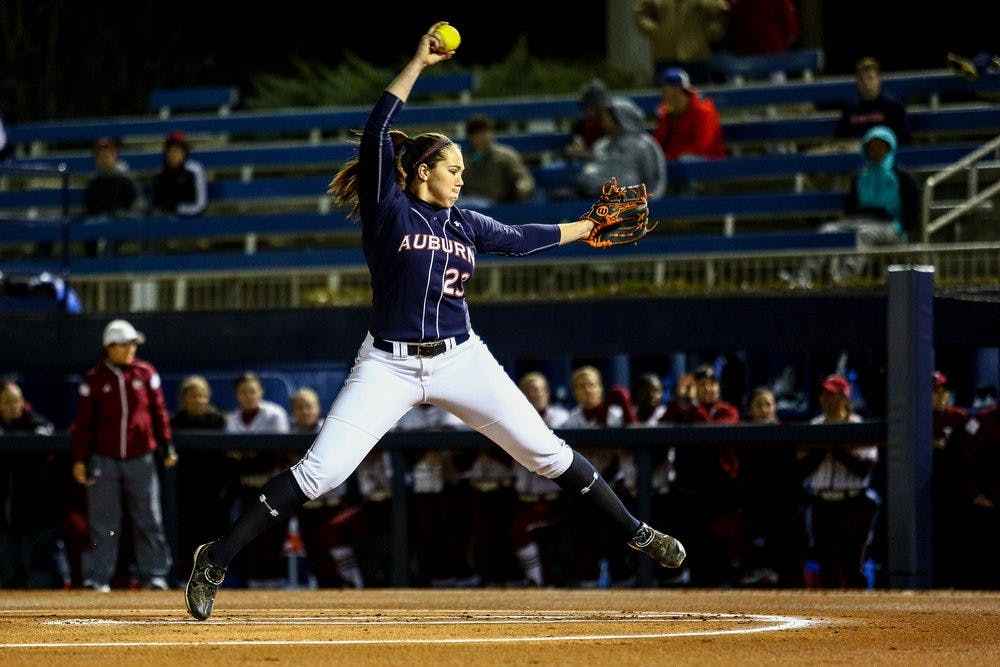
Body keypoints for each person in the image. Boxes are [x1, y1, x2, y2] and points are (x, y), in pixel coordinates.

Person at [185, 23, 684, 621]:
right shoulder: (389, 209)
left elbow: (524, 237)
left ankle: (634, 531)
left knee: (544, 452)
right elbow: (376, 132)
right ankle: (215, 558)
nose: (462, 176)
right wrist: (419, 62)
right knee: (320, 472)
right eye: (454, 167)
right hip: (389, 364)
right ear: (423, 171)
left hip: (459, 357)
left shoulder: (467, 224)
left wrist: (588, 226)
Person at [70, 319, 177, 592]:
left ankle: (154, 575)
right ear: (110, 347)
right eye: (126, 344)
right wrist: (80, 459)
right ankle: (98, 578)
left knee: (149, 518)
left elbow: (159, 411)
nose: (131, 349)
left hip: (141, 457)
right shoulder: (93, 379)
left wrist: (166, 444)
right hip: (104, 459)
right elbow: (84, 422)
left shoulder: (145, 372)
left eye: (133, 344)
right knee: (103, 521)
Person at [783, 125, 920, 287]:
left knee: (863, 235)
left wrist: (902, 226)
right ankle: (803, 278)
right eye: (872, 147)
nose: (876, 151)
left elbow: (913, 207)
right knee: (827, 231)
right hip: (858, 220)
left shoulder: (901, 176)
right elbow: (851, 207)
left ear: (889, 149)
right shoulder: (861, 176)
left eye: (880, 147)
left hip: (890, 225)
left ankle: (845, 278)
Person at [797, 374, 879, 588]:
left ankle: (862, 618)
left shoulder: (859, 425)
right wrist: (826, 444)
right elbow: (802, 468)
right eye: (824, 393)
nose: (826, 398)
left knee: (853, 567)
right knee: (827, 567)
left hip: (853, 501)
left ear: (845, 399)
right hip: (822, 501)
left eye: (832, 394)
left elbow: (863, 469)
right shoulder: (815, 425)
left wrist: (835, 446)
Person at [0, 381, 66, 589]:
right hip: (4, 519)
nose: (13, 406)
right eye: (7, 402)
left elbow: (45, 433)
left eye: (17, 401)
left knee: (38, 573)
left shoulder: (36, 423)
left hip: (35, 518)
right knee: (7, 575)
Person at [576, 95, 668, 199]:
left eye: (607, 117)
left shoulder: (644, 145)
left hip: (635, 204)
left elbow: (655, 179)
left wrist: (650, 204)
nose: (603, 121)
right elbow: (593, 174)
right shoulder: (601, 145)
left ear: (620, 118)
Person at [930, 370, 969, 588]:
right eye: (933, 391)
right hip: (926, 491)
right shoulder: (914, 419)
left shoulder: (958, 417)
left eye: (939, 390)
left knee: (954, 542)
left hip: (953, 491)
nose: (936, 395)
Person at [633, 0, 730, 85]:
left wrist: (709, 34)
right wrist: (657, 32)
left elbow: (720, 14)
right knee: (664, 100)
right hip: (665, 57)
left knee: (698, 97)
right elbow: (641, 14)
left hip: (696, 57)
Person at [652, 67, 726, 166]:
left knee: (686, 159)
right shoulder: (667, 111)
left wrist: (670, 156)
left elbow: (702, 147)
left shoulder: (704, 112)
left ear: (677, 90)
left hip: (709, 162)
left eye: (665, 89)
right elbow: (658, 142)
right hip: (675, 159)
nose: (662, 93)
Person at [459, 114, 535, 206]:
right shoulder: (462, 161)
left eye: (486, 131)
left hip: (500, 206)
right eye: (478, 133)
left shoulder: (506, 156)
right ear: (471, 137)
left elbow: (523, 177)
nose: (484, 136)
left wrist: (523, 186)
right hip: (472, 208)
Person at [835, 57, 911, 147]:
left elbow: (904, 138)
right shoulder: (850, 107)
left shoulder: (893, 106)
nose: (866, 83)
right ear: (857, 81)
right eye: (862, 79)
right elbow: (841, 137)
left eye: (870, 78)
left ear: (878, 79)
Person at [83, 136, 145, 221]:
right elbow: (90, 208)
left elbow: (138, 203)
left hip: (125, 224)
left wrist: (124, 217)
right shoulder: (94, 182)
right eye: (100, 156)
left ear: (115, 155)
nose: (104, 160)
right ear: (96, 159)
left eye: (107, 155)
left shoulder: (126, 178)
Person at [151, 131, 207, 217]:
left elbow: (201, 204)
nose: (173, 155)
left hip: (192, 220)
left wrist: (179, 209)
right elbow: (157, 205)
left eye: (177, 151)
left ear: (184, 153)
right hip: (167, 222)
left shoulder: (195, 170)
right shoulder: (160, 175)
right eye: (170, 151)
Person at [723, 0, 799, 58]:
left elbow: (790, 26)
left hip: (750, 53)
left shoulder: (739, 3)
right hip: (771, 51)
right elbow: (790, 27)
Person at [564, 79, 610, 162]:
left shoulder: (611, 124)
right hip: (588, 166)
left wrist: (586, 154)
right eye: (584, 106)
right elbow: (576, 145)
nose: (587, 110)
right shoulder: (581, 124)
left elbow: (612, 153)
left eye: (591, 106)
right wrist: (575, 148)